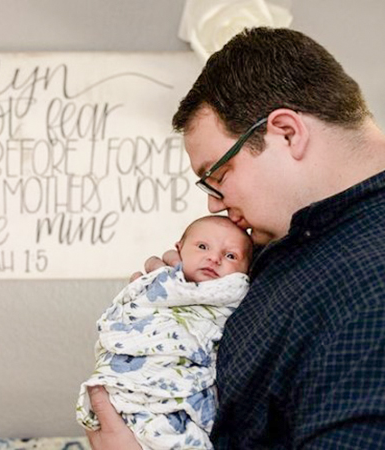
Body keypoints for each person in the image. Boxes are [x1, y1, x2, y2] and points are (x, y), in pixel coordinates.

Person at [86, 27, 385, 449]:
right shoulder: (298, 237)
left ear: (286, 132)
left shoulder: (372, 293)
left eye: (219, 175)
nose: (214, 206)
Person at [77, 216, 253, 449]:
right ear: (179, 250)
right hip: (131, 378)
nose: (214, 258)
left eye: (231, 256)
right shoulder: (159, 283)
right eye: (202, 247)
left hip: (183, 388)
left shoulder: (238, 296)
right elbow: (126, 313)